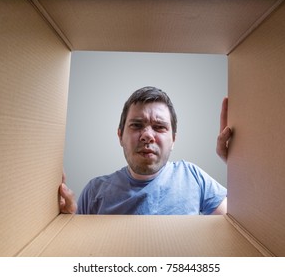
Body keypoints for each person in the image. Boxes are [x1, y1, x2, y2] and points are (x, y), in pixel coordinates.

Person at [59, 86, 232, 215]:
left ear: (173, 140)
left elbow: (241, 227)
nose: (147, 136)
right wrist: (66, 226)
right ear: (120, 136)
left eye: (159, 127)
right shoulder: (95, 191)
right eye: (136, 125)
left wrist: (236, 163)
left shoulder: (193, 178)